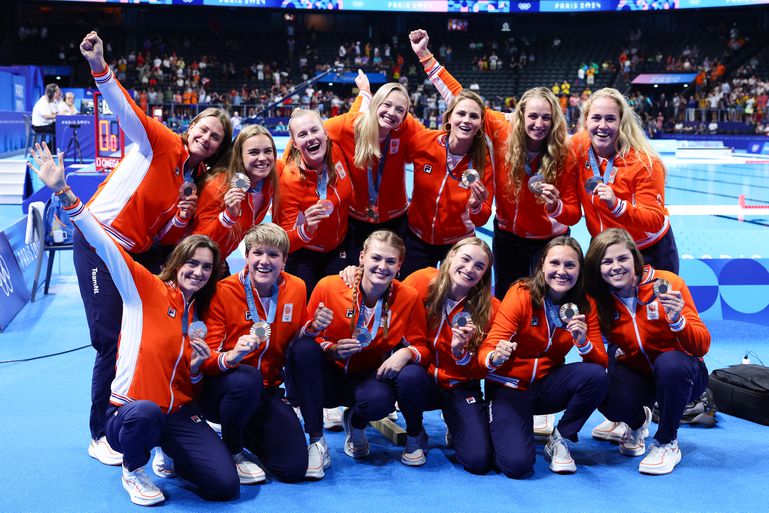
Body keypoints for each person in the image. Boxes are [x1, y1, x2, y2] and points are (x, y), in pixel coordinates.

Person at [29, 143, 238, 506]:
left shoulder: (204, 312)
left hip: (178, 412)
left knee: (224, 486)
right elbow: (104, 243)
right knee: (145, 413)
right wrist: (63, 191)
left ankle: (171, 452)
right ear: (177, 262)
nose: (198, 272)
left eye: (206, 267)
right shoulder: (145, 289)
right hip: (131, 411)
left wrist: (197, 367)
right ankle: (133, 467)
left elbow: (193, 376)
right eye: (192, 263)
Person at [77, 31, 232, 465]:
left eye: (215, 136)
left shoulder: (193, 180)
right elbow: (126, 111)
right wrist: (99, 65)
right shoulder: (161, 142)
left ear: (219, 148)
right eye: (203, 128)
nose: (206, 137)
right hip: (100, 242)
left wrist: (182, 218)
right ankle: (99, 432)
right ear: (191, 127)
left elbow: (164, 237)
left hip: (136, 253)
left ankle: (149, 415)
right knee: (110, 341)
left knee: (142, 338)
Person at [409, 29, 580, 299]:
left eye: (546, 118)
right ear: (520, 116)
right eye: (532, 116)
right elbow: (460, 99)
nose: (538, 124)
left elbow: (573, 215)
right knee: (506, 299)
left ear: (554, 120)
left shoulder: (565, 153)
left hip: (551, 242)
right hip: (507, 238)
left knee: (549, 303)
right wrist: (425, 56)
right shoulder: (501, 131)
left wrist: (556, 206)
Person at [198, 223, 334, 483]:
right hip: (224, 388)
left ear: (284, 260)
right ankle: (233, 450)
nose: (264, 261)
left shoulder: (296, 287)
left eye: (273, 255)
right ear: (246, 257)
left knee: (292, 468)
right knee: (246, 377)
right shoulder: (222, 291)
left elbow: (294, 339)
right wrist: (234, 355)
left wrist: (312, 327)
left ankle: (244, 428)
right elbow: (206, 360)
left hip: (266, 390)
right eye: (257, 253)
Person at [285, 230, 428, 464]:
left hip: (366, 377)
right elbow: (304, 336)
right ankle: (316, 440)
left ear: (399, 265)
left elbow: (423, 346)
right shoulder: (329, 286)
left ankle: (357, 421)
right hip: (327, 376)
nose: (382, 266)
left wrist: (405, 352)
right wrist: (330, 348)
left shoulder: (408, 297)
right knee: (302, 349)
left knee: (382, 400)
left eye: (391, 261)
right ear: (362, 257)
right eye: (376, 258)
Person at [478, 236, 608, 478]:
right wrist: (495, 357)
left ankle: (561, 438)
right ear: (542, 266)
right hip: (510, 386)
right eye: (555, 263)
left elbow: (600, 363)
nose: (562, 271)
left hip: (548, 385)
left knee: (596, 376)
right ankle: (493, 419)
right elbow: (488, 348)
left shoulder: (585, 304)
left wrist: (583, 343)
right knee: (517, 466)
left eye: (570, 265)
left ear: (580, 269)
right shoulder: (521, 293)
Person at [585, 228, 710, 475]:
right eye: (606, 261)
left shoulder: (668, 283)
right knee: (599, 384)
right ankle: (637, 422)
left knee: (670, 363)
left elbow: (702, 345)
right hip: (639, 373)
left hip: (683, 375)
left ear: (635, 259)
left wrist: (678, 322)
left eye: (622, 259)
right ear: (597, 267)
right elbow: (596, 356)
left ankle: (667, 441)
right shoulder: (598, 299)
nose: (616, 267)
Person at [398, 237, 498, 473]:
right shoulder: (421, 281)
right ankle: (415, 432)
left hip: (460, 386)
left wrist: (460, 354)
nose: (470, 269)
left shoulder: (492, 308)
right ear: (451, 255)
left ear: (485, 274)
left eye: (479, 266)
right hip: (421, 378)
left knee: (478, 461)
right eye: (465, 259)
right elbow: (386, 294)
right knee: (408, 377)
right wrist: (355, 272)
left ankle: (456, 424)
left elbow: (482, 367)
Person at [570, 88, 678, 274]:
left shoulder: (645, 163)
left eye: (610, 119)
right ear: (586, 121)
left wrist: (618, 206)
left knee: (655, 304)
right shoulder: (579, 146)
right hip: (603, 246)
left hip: (647, 250)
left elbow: (655, 219)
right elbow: (550, 143)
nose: (602, 125)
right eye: (596, 118)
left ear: (621, 122)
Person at [396, 86, 494, 278]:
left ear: (481, 124)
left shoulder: (485, 163)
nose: (466, 120)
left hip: (458, 244)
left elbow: (482, 218)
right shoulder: (424, 141)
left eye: (473, 116)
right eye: (461, 114)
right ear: (449, 118)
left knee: (454, 298)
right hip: (417, 238)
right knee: (410, 295)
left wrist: (475, 207)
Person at [325, 70, 423, 259]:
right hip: (356, 220)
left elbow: (432, 140)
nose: (392, 113)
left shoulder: (407, 126)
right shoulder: (348, 126)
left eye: (400, 110)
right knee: (353, 274)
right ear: (375, 104)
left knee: (392, 276)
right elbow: (310, 131)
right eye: (387, 105)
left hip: (395, 219)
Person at [273, 108, 353, 295]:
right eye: (302, 134)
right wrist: (306, 230)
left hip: (341, 245)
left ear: (325, 133)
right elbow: (284, 241)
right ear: (294, 143)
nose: (310, 138)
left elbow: (355, 116)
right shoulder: (289, 181)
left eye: (314, 130)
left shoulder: (337, 151)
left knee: (340, 301)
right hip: (305, 255)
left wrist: (364, 92)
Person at [189, 124, 279, 268]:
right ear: (239, 156)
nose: (263, 158)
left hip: (219, 260)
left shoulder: (268, 178)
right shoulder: (217, 186)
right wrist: (228, 217)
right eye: (254, 152)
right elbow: (196, 242)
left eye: (268, 151)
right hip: (194, 263)